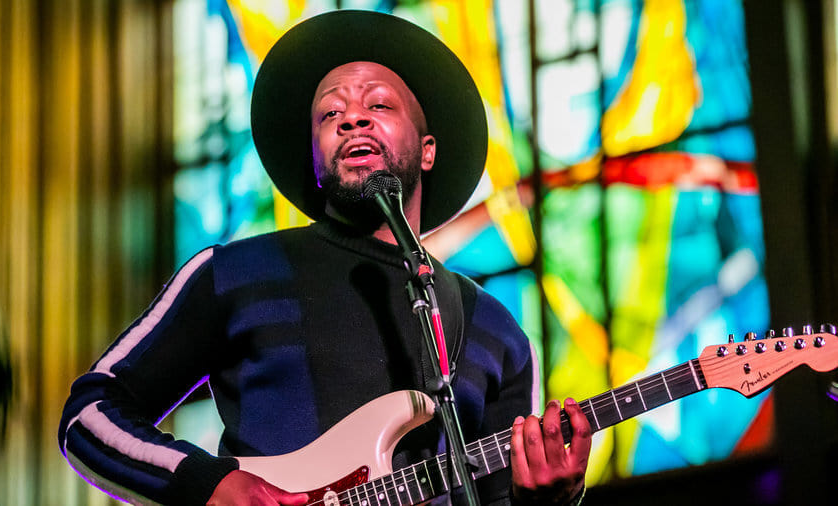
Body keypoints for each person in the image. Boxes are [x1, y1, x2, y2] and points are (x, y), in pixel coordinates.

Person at [59, 10, 591, 506]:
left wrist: (551, 499)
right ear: (316, 162)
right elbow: (90, 414)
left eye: (378, 105)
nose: (353, 118)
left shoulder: (496, 332)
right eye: (330, 112)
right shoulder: (234, 274)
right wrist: (208, 483)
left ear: (428, 150)